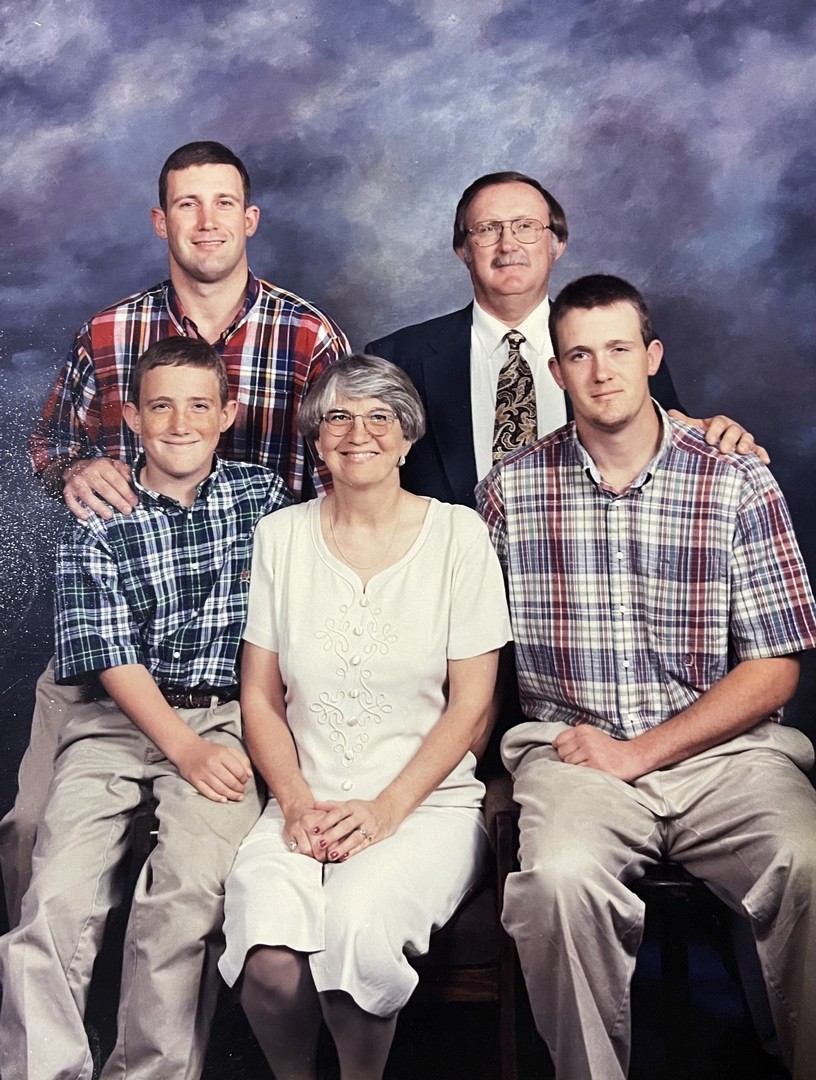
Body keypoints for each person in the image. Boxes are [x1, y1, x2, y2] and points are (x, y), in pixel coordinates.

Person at [0, 140, 349, 927]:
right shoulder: (109, 332)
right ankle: (49, 993)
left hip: (238, 647)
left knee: (206, 858)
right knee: (30, 829)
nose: (206, 221)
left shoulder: (307, 335)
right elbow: (51, 443)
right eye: (187, 204)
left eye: (223, 203)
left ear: (249, 219)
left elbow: (339, 478)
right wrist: (77, 469)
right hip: (115, 634)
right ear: (161, 221)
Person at [476, 275, 816, 1080]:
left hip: (726, 758)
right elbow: (472, 659)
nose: (602, 373)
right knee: (556, 885)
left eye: (619, 350)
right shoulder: (509, 492)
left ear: (653, 357)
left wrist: (642, 753)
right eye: (579, 356)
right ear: (555, 372)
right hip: (577, 758)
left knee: (808, 860)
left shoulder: (736, 479)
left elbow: (776, 667)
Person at [0, 338, 292, 1080]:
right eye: (160, 406)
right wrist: (183, 751)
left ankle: (150, 1071)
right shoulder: (96, 512)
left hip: (223, 720)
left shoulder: (262, 499)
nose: (180, 423)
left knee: (187, 893)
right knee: (57, 898)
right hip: (114, 721)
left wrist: (205, 747)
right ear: (130, 417)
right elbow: (107, 653)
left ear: (228, 413)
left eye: (199, 406)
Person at [217, 354, 511, 1080]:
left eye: (380, 417)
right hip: (304, 802)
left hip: (424, 807)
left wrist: (384, 811)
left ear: (407, 437)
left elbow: (472, 704)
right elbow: (260, 697)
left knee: (357, 932)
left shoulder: (460, 536)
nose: (358, 434)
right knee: (269, 959)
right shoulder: (280, 536)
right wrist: (294, 803)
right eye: (338, 418)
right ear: (316, 440)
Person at [367, 170, 765, 507]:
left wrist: (714, 433)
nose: (508, 244)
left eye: (526, 227)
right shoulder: (397, 359)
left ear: (556, 244)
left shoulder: (623, 349)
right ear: (463, 250)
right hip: (449, 574)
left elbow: (672, 440)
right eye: (487, 229)